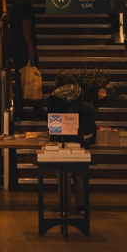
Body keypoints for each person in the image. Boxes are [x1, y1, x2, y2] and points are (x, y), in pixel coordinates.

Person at [47, 71, 96, 211]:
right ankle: (81, 205)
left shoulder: (55, 96)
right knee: (80, 172)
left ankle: (64, 205)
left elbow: (53, 120)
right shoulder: (80, 92)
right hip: (80, 136)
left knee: (64, 174)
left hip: (63, 137)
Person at [8, 0, 43, 120]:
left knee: (20, 79)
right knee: (33, 77)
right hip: (24, 48)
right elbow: (26, 26)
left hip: (14, 47)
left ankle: (19, 110)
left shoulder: (15, 6)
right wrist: (31, 46)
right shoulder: (27, 7)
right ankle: (38, 110)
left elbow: (7, 18)